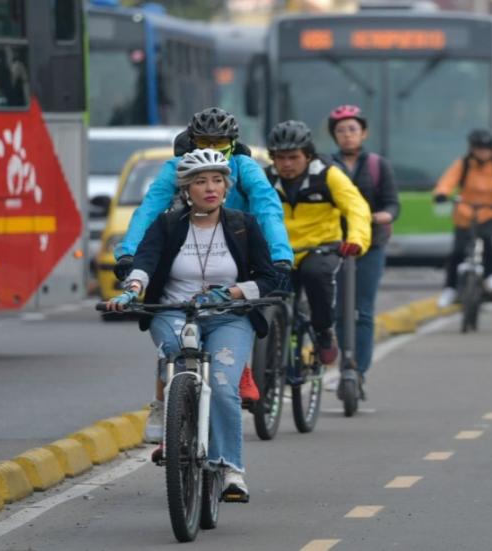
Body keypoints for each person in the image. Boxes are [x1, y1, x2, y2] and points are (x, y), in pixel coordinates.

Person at [105, 149, 278, 501]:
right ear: (186, 189)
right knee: (177, 355)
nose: (210, 188)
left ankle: (231, 469)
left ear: (227, 187)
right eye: (200, 181)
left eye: (217, 180)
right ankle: (173, 420)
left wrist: (230, 292)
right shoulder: (168, 225)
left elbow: (268, 278)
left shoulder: (243, 224)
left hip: (229, 316)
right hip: (173, 312)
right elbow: (146, 261)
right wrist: (131, 291)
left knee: (222, 383)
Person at [115, 107, 293, 427]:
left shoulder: (245, 167)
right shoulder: (176, 168)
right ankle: (164, 403)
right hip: (188, 248)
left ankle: (241, 367)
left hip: (236, 249)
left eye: (219, 144)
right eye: (203, 143)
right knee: (171, 334)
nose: (211, 151)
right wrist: (128, 254)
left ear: (233, 144)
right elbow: (149, 210)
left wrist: (281, 256)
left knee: (244, 307)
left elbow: (267, 208)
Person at [264, 119, 371, 368]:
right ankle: (265, 360)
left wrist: (355, 239)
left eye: (293, 157)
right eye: (280, 158)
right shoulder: (265, 179)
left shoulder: (328, 175)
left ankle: (324, 333)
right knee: (264, 294)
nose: (287, 164)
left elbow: (357, 208)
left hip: (320, 247)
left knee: (316, 275)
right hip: (280, 251)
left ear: (308, 155)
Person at [328, 105, 400, 396]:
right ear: (334, 136)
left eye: (352, 129)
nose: (347, 135)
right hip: (334, 245)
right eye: (341, 131)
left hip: (371, 244)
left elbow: (393, 204)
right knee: (338, 310)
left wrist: (382, 216)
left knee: (364, 310)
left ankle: (359, 370)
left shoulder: (377, 165)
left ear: (363, 132)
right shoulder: (326, 165)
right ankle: (344, 362)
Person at [433, 129, 492, 308]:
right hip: (465, 213)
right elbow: (447, 181)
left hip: (491, 212)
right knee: (457, 252)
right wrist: (442, 194)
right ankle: (450, 289)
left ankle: (491, 277)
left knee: (487, 242)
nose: (483, 152)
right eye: (479, 148)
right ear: (472, 149)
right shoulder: (464, 164)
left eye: (486, 148)